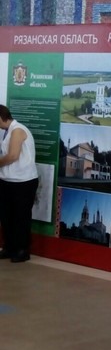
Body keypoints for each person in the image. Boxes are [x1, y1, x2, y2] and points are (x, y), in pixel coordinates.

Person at [0, 104, 40, 263]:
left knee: (21, 217)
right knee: (6, 216)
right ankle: (9, 247)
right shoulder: (7, 131)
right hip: (7, 180)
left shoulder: (17, 130)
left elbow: (12, 156)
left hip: (23, 182)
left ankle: (22, 250)